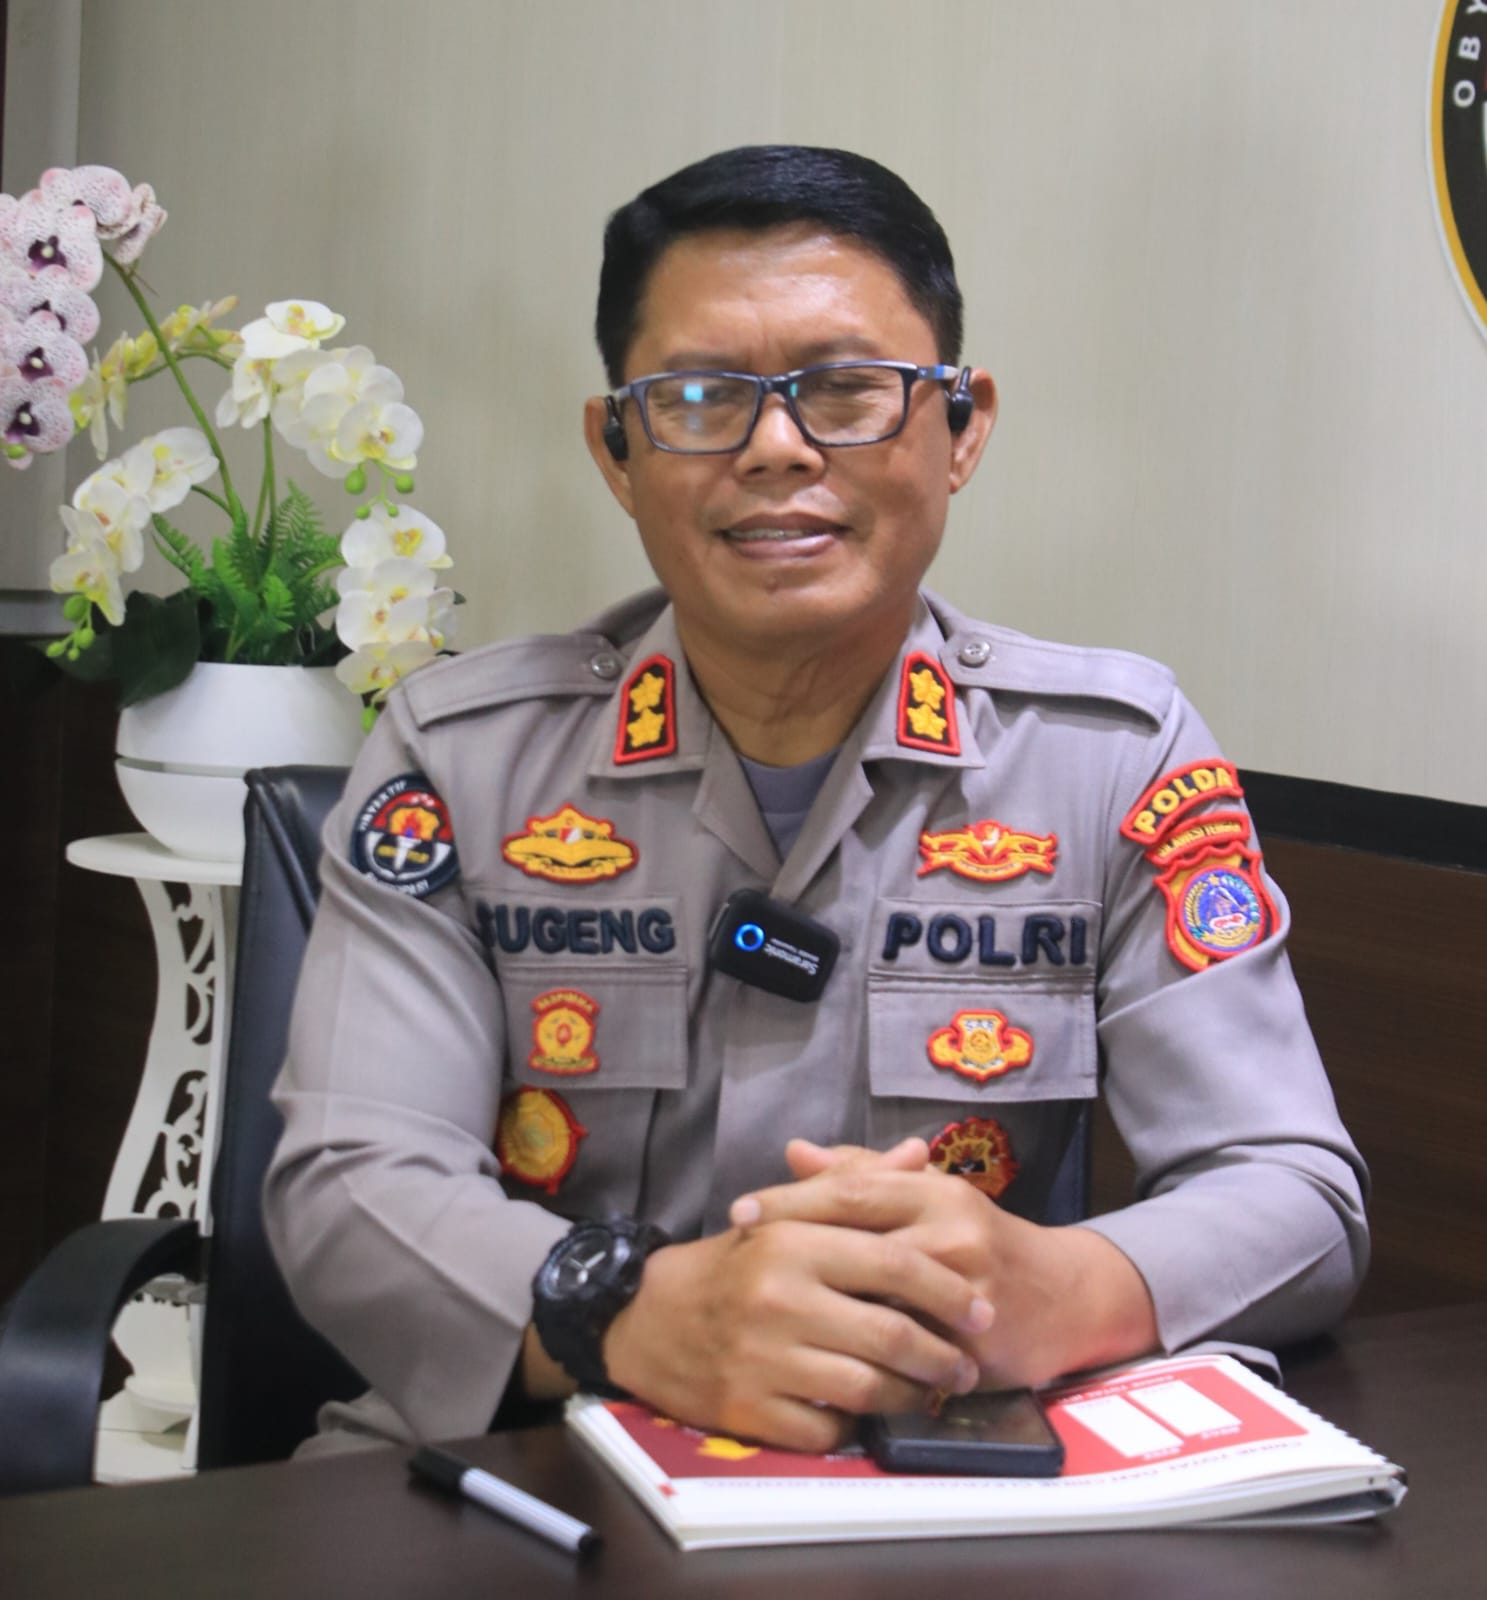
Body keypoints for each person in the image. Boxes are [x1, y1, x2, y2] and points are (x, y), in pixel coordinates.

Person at [264, 145, 1367, 1456]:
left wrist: (1056, 1290)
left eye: (847, 391)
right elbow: (350, 1183)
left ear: (962, 429)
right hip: (532, 1470)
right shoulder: (461, 761)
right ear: (616, 449)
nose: (778, 448)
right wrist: (632, 1316)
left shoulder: (1113, 762)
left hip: (936, 1469)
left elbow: (1292, 1189)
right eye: (698, 398)